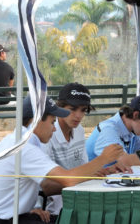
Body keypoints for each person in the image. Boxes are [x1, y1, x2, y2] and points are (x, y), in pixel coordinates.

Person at [0, 96, 123, 223]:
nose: (54, 129)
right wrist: (104, 158)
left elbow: (48, 184)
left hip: (9, 216)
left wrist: (93, 175)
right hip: (1, 220)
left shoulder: (17, 140)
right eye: (52, 122)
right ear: (36, 121)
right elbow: (68, 179)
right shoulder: (25, 148)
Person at [40, 83, 95, 216]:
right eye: (72, 109)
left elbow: (84, 167)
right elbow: (45, 186)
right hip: (53, 211)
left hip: (79, 203)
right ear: (59, 107)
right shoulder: (47, 135)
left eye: (83, 110)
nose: (78, 115)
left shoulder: (80, 131)